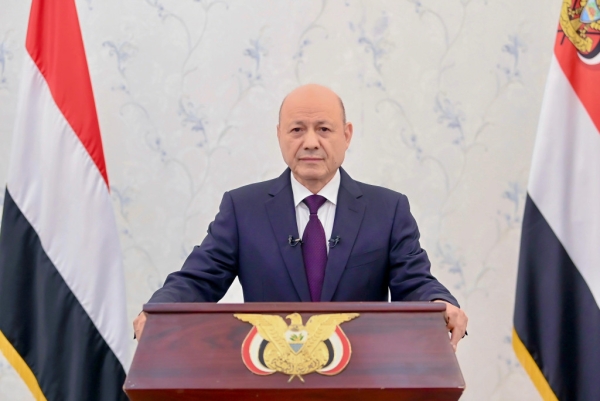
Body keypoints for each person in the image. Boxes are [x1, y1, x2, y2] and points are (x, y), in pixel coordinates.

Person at [133, 84, 468, 350]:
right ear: (279, 134)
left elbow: (415, 282)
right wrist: (159, 310)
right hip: (270, 375)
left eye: (324, 129)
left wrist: (440, 303)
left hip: (360, 374)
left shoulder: (387, 209)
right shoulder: (243, 208)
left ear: (346, 135)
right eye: (297, 129)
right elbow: (198, 280)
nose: (310, 142)